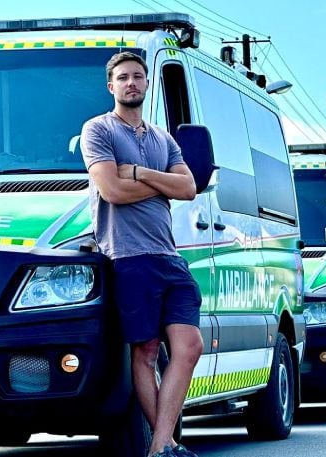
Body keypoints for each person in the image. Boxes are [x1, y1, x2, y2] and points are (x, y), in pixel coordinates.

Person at [80, 52, 202, 457]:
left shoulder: (162, 138)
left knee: (189, 346)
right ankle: (164, 445)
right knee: (146, 351)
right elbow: (112, 191)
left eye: (137, 76)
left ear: (147, 84)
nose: (131, 83)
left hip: (169, 256)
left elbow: (189, 189)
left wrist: (141, 173)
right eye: (123, 78)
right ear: (110, 86)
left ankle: (159, 442)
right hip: (128, 256)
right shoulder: (97, 129)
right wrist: (163, 183)